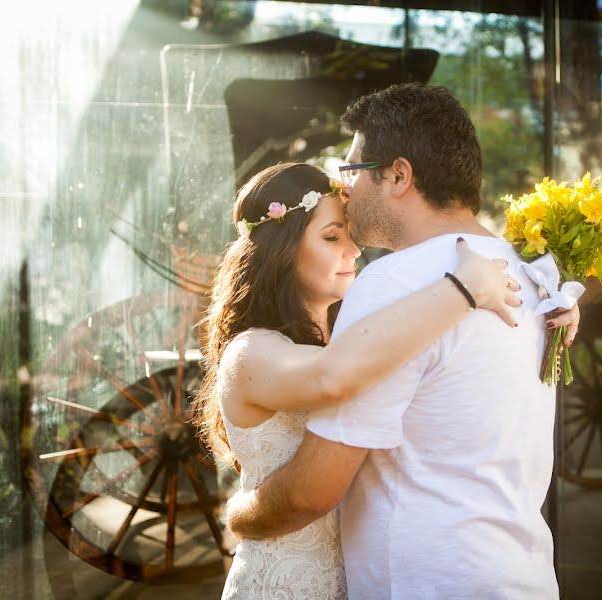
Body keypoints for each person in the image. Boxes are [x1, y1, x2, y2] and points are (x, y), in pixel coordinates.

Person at [225, 84, 580, 599]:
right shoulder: (536, 279)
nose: (345, 190)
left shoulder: (394, 283)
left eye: (352, 171)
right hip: (522, 575)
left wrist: (240, 514)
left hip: (426, 583)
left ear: (398, 175)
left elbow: (311, 492)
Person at [196, 161, 529, 599]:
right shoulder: (251, 351)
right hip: (285, 585)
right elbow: (332, 377)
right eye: (332, 236)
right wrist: (463, 288)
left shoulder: (355, 337)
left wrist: (549, 301)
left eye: (349, 235)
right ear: (281, 247)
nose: (353, 251)